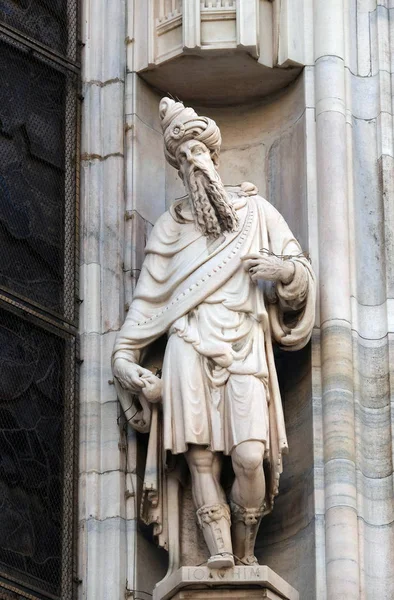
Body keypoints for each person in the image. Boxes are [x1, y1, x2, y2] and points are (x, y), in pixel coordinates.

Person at [112, 98, 315, 569]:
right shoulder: (168, 229)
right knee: (201, 460)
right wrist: (127, 366)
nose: (192, 163)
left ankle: (245, 551)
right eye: (182, 158)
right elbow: (142, 314)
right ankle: (219, 552)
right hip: (187, 345)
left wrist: (281, 269)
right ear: (176, 166)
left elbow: (301, 274)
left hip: (243, 345)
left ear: (214, 155)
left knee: (249, 456)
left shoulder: (256, 213)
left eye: (198, 152)